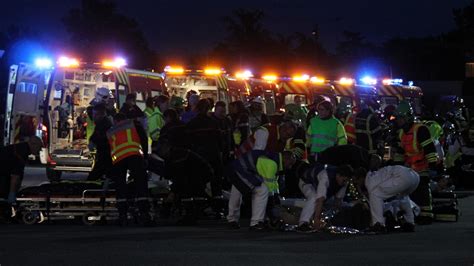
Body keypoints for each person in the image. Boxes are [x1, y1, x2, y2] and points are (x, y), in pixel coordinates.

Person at [393, 100, 438, 224]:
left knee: (422, 190)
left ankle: (427, 215)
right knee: (409, 192)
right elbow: (400, 152)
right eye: (397, 118)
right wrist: (395, 167)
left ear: (408, 117)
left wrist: (433, 166)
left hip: (422, 166)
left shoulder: (420, 129)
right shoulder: (402, 132)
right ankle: (415, 213)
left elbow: (429, 149)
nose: (398, 121)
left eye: (400, 118)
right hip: (409, 168)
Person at [226, 150, 295, 230]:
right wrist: (273, 211)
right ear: (286, 159)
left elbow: (273, 184)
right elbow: (269, 188)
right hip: (240, 170)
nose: (290, 167)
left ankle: (232, 220)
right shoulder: (272, 164)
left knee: (237, 193)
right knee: (262, 190)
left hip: (237, 168)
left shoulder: (274, 159)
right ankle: (256, 222)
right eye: (290, 164)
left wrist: (275, 197)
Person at [354, 155, 420, 232]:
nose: (357, 183)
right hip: (414, 176)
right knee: (401, 196)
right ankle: (409, 222)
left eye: (357, 181)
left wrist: (360, 191)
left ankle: (378, 224)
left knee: (375, 195)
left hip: (402, 176)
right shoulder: (379, 172)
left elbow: (372, 196)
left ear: (361, 177)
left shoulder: (369, 178)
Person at [107, 113, 151, 226]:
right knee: (140, 183)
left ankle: (123, 215)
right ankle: (144, 214)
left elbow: (109, 148)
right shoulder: (134, 125)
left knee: (120, 186)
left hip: (119, 159)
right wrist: (145, 156)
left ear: (116, 120)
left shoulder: (112, 130)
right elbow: (144, 139)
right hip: (135, 156)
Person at [156, 140, 213, 225]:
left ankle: (190, 215)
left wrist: (172, 192)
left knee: (185, 190)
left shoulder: (177, 156)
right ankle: (194, 213)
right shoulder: (173, 156)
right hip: (197, 172)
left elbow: (179, 175)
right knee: (186, 189)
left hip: (200, 172)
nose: (161, 154)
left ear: (166, 148)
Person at [186, 99, 224, 214]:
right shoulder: (214, 123)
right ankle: (218, 208)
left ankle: (200, 208)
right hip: (214, 155)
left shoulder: (192, 123)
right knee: (216, 183)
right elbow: (220, 141)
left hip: (199, 157)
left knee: (199, 183)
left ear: (197, 108)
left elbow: (188, 141)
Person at [297, 164, 353, 232]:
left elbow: (338, 201)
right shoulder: (325, 176)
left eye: (347, 181)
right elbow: (320, 199)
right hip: (306, 183)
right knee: (313, 197)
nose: (345, 183)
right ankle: (303, 223)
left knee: (332, 203)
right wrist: (316, 219)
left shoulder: (344, 183)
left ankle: (322, 221)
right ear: (338, 175)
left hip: (317, 187)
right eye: (344, 180)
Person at [0, 137, 43, 222]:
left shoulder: (21, 149)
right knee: (3, 192)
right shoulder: (21, 153)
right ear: (32, 144)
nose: (40, 150)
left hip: (3, 172)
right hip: (2, 173)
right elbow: (15, 177)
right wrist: (12, 194)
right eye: (39, 147)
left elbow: (18, 176)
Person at [87, 103, 113, 181]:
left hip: (106, 155)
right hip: (106, 155)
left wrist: (92, 142)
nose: (93, 117)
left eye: (95, 115)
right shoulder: (103, 122)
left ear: (100, 114)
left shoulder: (105, 124)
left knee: (92, 178)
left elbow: (100, 137)